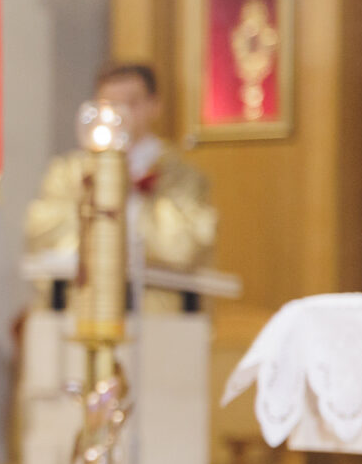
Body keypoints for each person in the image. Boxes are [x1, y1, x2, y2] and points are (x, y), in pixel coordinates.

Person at [24, 62, 218, 300]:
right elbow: (44, 235)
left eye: (131, 104)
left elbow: (186, 247)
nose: (119, 116)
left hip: (157, 306)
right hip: (84, 301)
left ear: (154, 106)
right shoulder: (67, 173)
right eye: (109, 105)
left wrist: (133, 204)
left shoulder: (183, 176)